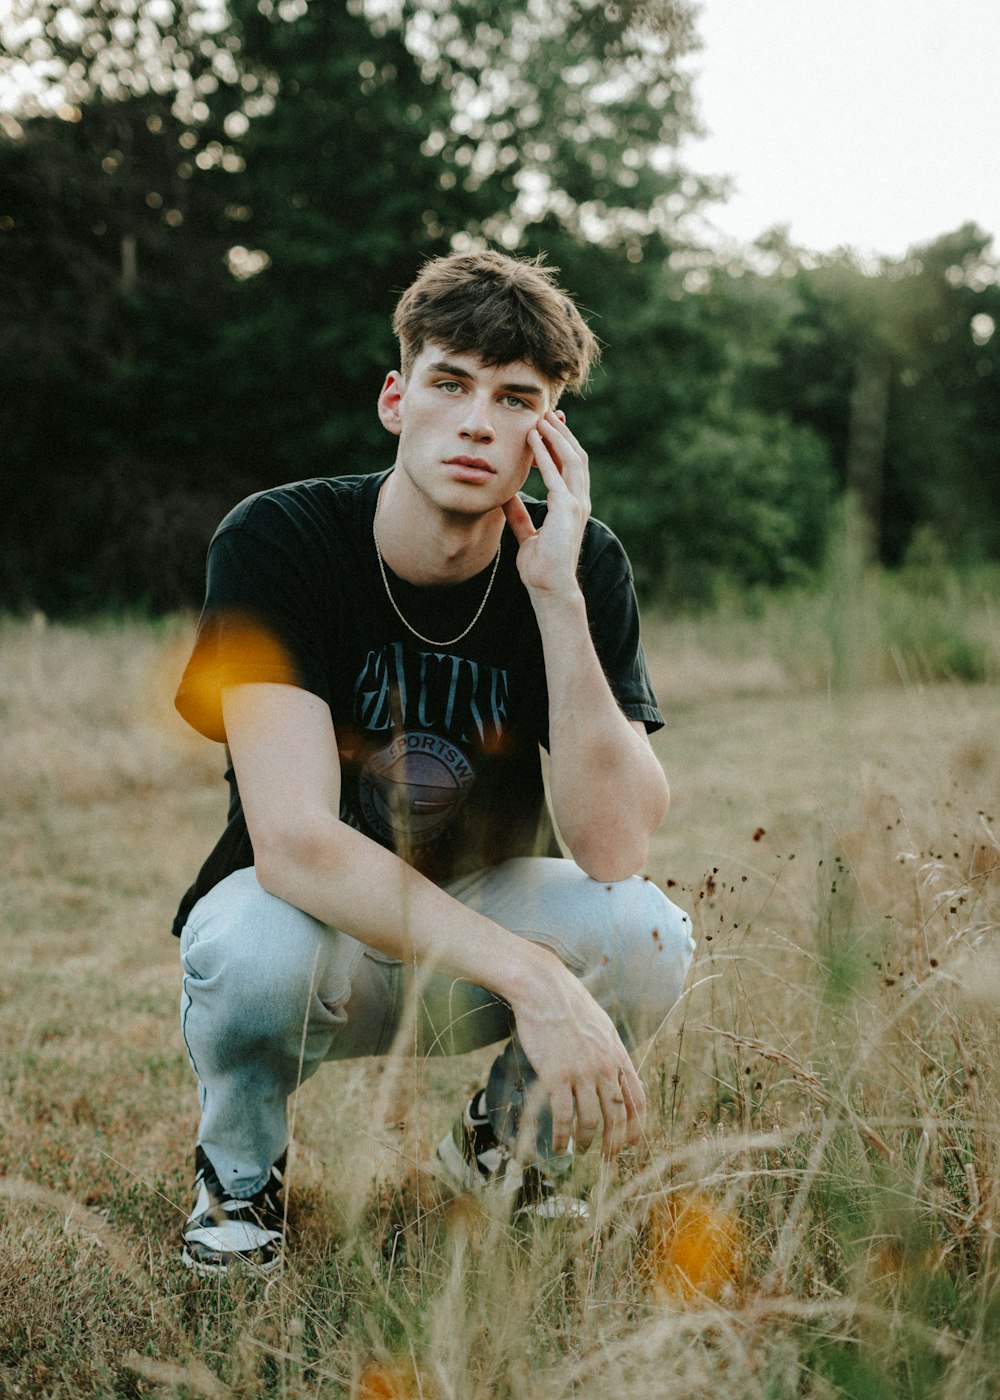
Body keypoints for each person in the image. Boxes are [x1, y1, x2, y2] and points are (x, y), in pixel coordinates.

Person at [173, 248, 694, 1274]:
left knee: (646, 930)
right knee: (246, 946)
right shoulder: (280, 537)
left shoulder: (582, 561)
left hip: (480, 909)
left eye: (515, 397)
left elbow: (616, 839)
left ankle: (503, 1148)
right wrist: (535, 980)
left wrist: (555, 594)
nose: (474, 419)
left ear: (549, 433)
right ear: (394, 396)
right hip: (316, 933)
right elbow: (292, 842)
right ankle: (238, 1176)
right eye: (449, 381)